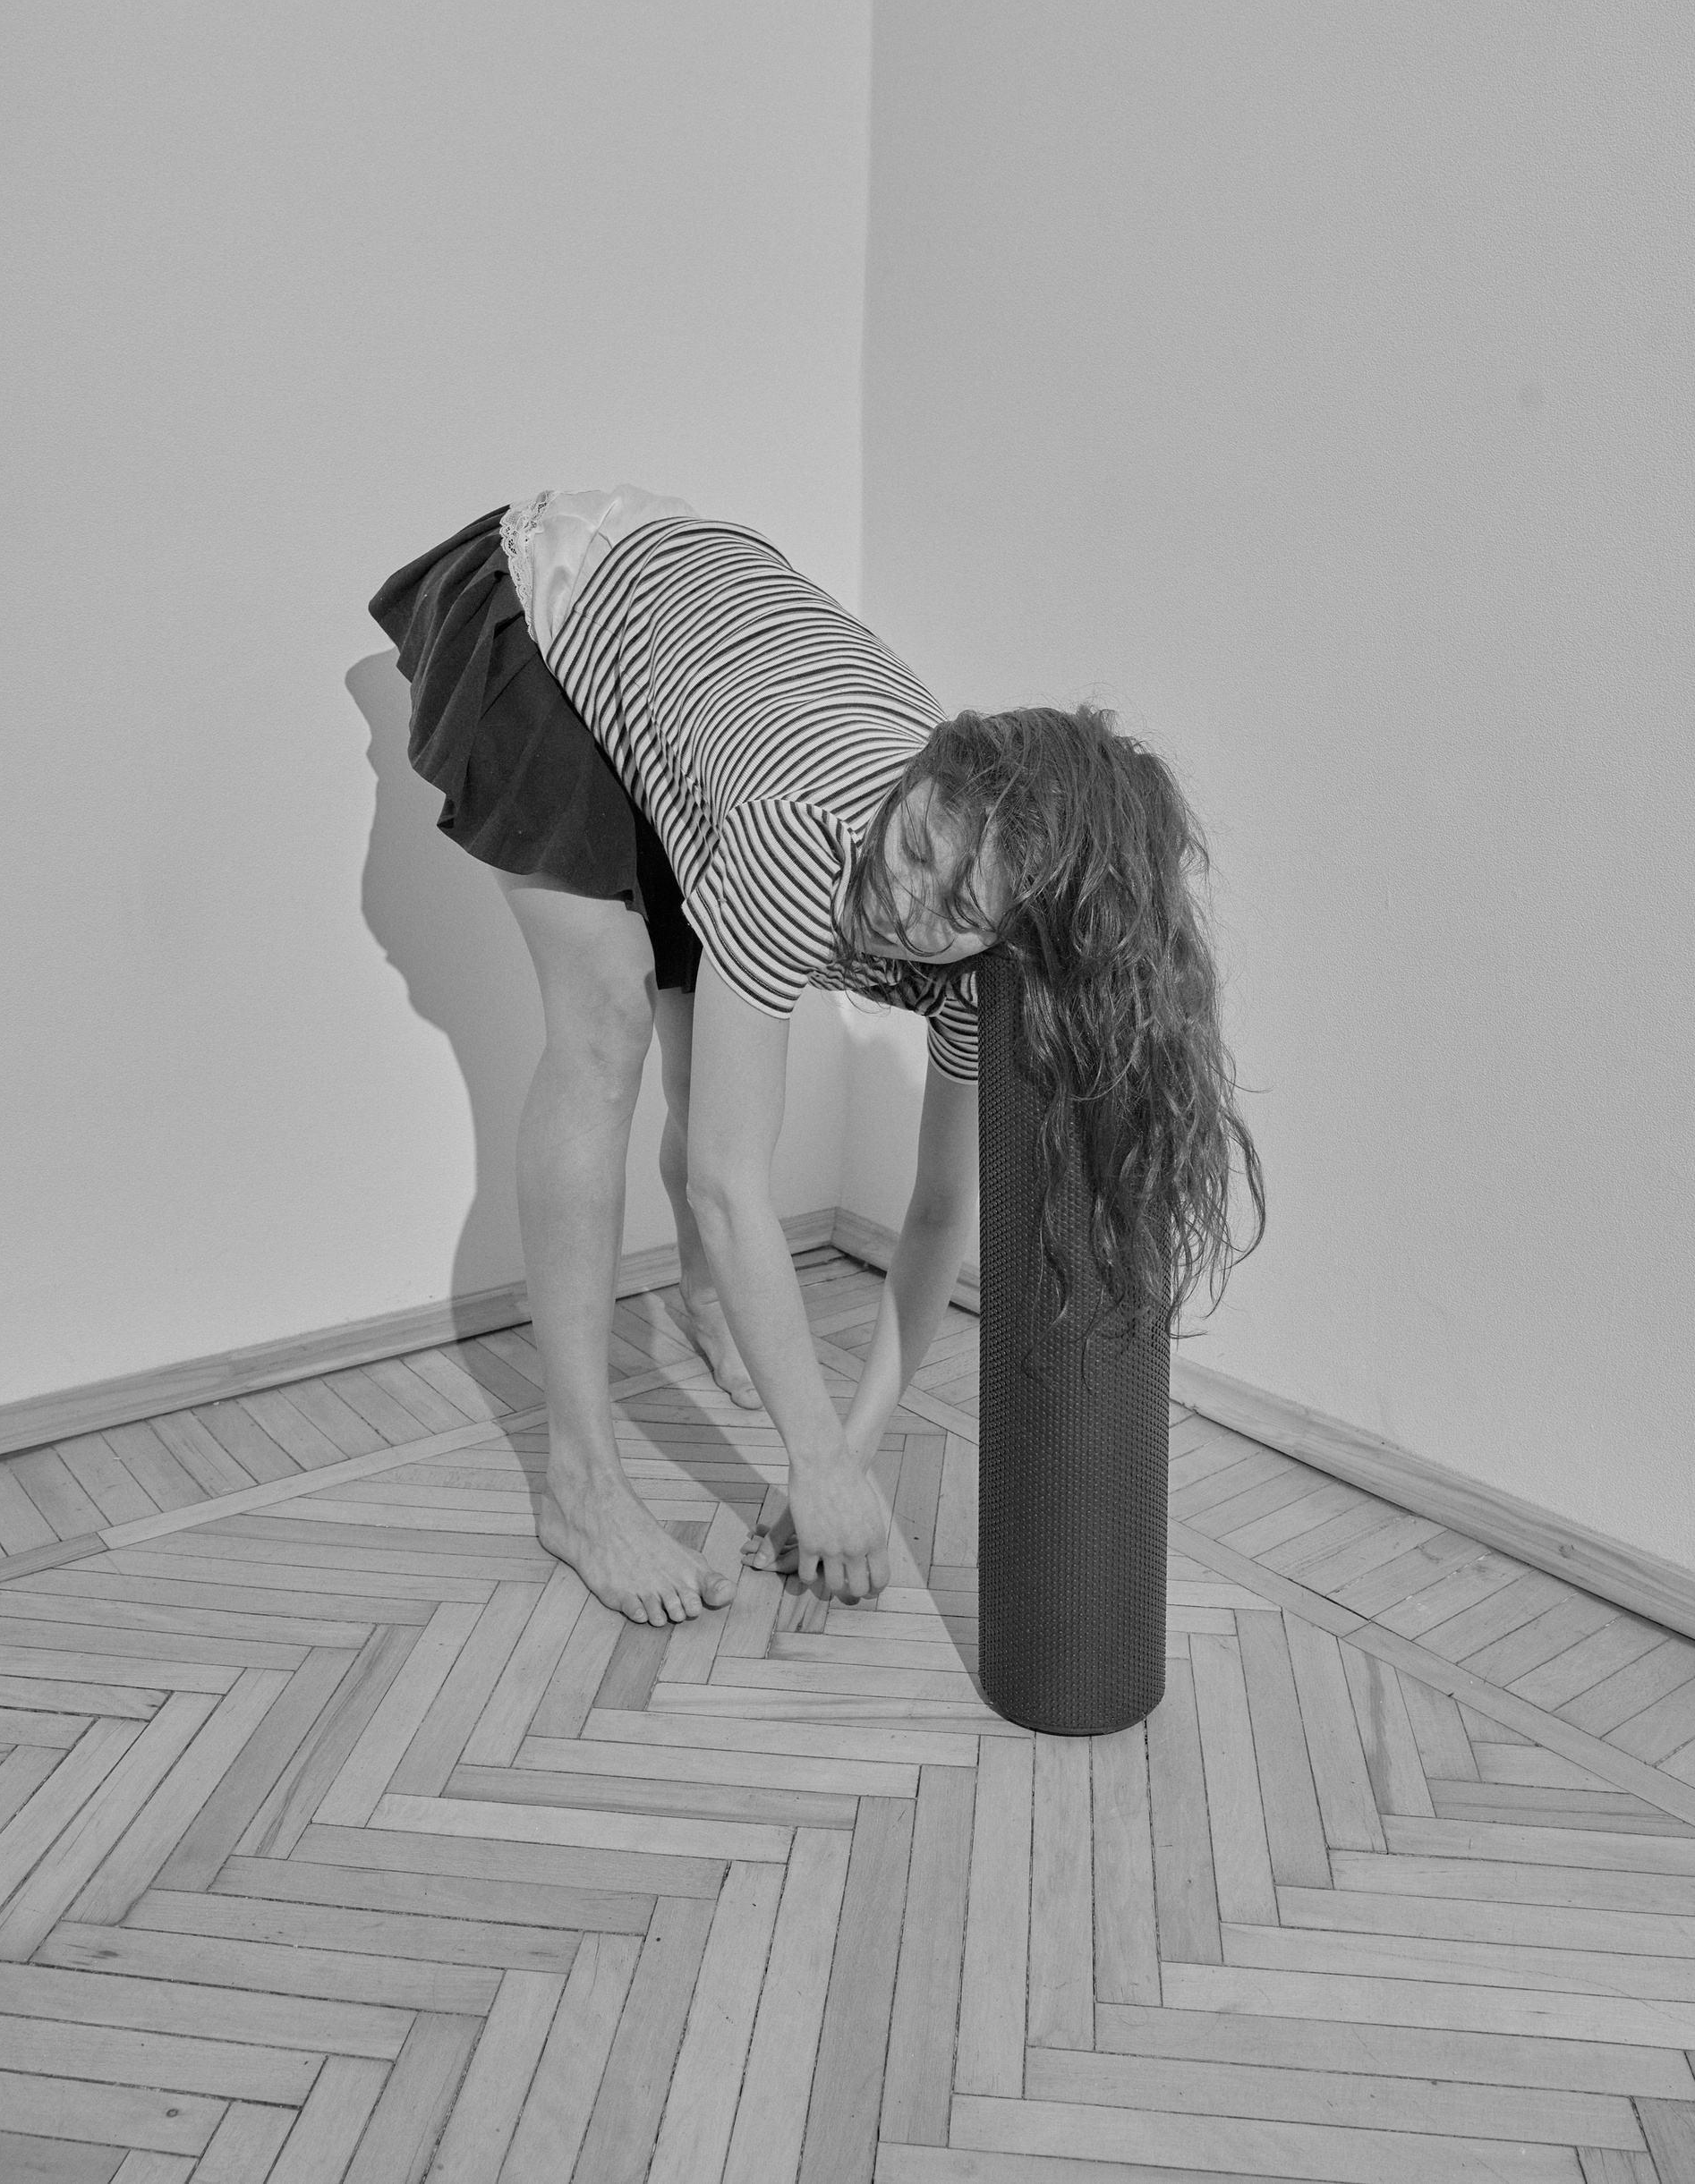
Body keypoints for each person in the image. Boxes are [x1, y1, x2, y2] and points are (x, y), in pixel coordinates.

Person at [369, 486, 1264, 1630]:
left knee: (704, 1062)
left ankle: (705, 1293)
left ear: (1012, 939)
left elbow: (937, 1210)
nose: (906, 906)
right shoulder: (806, 834)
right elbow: (728, 1179)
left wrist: (850, 1448)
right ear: (926, 774)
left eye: (957, 912)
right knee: (608, 1019)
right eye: (917, 848)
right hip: (565, 601)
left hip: (702, 660)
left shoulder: (987, 968)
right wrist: (817, 1463)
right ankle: (580, 1486)